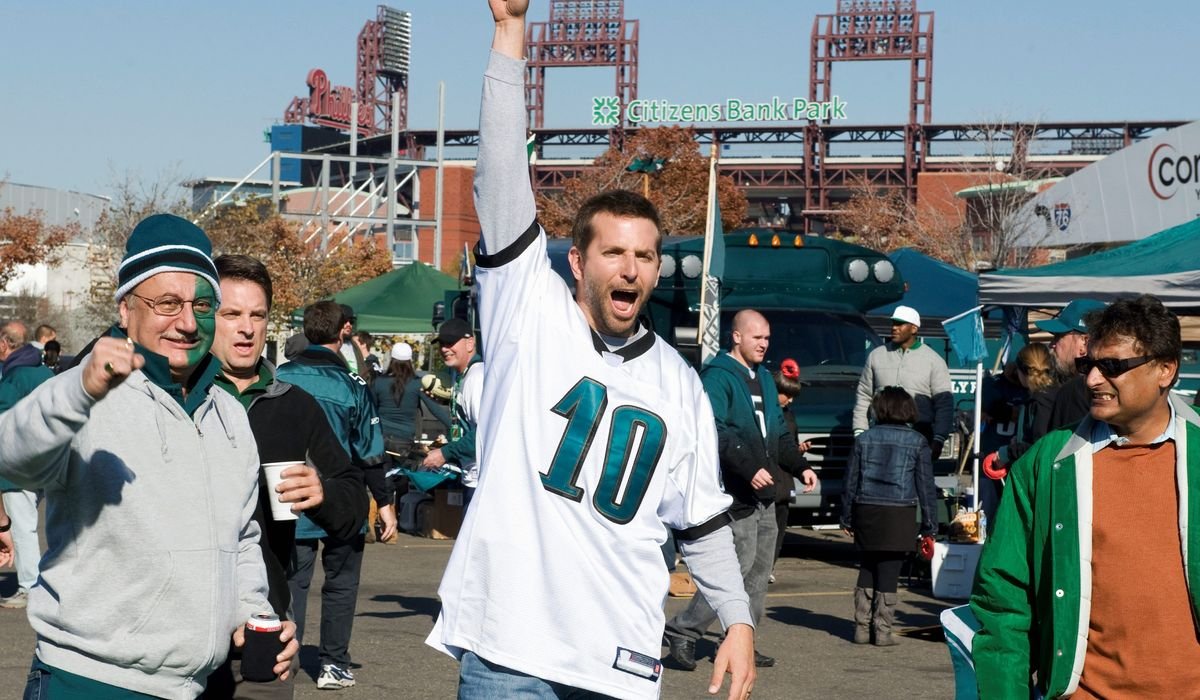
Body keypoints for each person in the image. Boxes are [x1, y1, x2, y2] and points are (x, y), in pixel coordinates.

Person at [426, 3, 756, 698]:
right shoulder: (528, 311)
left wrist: (738, 620)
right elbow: (499, 184)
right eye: (613, 252)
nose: (630, 268)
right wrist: (508, 37)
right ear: (576, 263)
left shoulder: (678, 383)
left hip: (619, 661)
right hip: (509, 652)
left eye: (645, 255)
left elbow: (700, 522)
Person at [0, 213, 295, 697]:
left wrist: (252, 613)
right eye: (167, 303)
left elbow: (242, 537)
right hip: (89, 680)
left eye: (202, 304)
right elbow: (11, 456)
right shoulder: (87, 396)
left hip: (194, 686)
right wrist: (78, 390)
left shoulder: (229, 413)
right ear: (125, 308)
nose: (186, 322)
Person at [971, 295, 1200, 698]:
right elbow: (1003, 604)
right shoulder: (1046, 464)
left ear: (1166, 370)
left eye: (1111, 367)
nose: (1092, 379)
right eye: (1087, 365)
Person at [204, 254, 369, 699]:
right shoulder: (181, 398)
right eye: (231, 314)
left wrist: (323, 494)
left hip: (266, 628)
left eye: (257, 315)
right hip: (182, 624)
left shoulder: (293, 404)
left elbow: (351, 500)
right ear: (206, 316)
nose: (246, 328)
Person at [664, 311, 817, 670]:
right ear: (736, 337)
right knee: (736, 569)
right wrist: (749, 468)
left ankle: (739, 640)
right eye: (756, 337)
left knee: (760, 572)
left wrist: (801, 466)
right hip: (734, 492)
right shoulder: (717, 378)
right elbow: (713, 430)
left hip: (765, 494)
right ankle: (683, 632)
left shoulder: (763, 377)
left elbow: (778, 433)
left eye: (767, 338)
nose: (764, 344)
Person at [277, 300, 394, 691]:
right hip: (344, 496)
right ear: (343, 330)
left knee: (294, 580)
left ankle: (286, 658)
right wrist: (387, 503)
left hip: (291, 493)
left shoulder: (280, 377)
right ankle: (334, 663)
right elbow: (371, 450)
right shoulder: (352, 385)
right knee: (341, 582)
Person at [840, 387, 937, 647]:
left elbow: (851, 481)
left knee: (868, 566)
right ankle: (882, 630)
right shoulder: (918, 441)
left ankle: (861, 628)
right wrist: (930, 525)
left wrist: (846, 516)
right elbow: (926, 487)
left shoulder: (864, 439)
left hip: (867, 509)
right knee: (889, 570)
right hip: (900, 512)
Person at [0, 321, 53, 610]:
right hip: (49, 460)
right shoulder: (44, 372)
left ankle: (30, 586)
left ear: (5, 344)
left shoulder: (12, 378)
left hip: (20, 466)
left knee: (22, 528)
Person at [853, 305, 953, 457]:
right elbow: (864, 395)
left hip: (919, 435)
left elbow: (944, 404)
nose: (894, 328)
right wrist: (859, 431)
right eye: (893, 323)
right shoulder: (876, 356)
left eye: (900, 324)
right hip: (880, 434)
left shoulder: (934, 360)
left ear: (914, 329)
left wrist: (939, 438)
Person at [421, 318, 484, 508]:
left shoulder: (477, 377)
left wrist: (445, 453)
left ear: (470, 342)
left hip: (481, 481)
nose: (444, 349)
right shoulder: (463, 375)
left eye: (451, 343)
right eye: (442, 343)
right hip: (472, 476)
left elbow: (485, 432)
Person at [1035, 298, 1106, 441]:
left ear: (1084, 342)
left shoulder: (1075, 391)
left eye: (1058, 337)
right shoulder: (1123, 387)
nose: (1052, 345)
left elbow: (1058, 458)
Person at [373, 342, 451, 465]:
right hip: (405, 441)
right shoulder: (417, 383)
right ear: (410, 361)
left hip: (381, 439)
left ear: (392, 359)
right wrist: (454, 427)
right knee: (403, 478)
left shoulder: (378, 382)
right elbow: (435, 409)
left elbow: (370, 410)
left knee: (384, 478)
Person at [769, 360, 810, 583]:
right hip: (767, 476)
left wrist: (798, 451)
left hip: (784, 480)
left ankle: (769, 565)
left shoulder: (790, 415)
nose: (790, 400)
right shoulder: (766, 414)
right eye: (787, 394)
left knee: (779, 525)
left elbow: (789, 447)